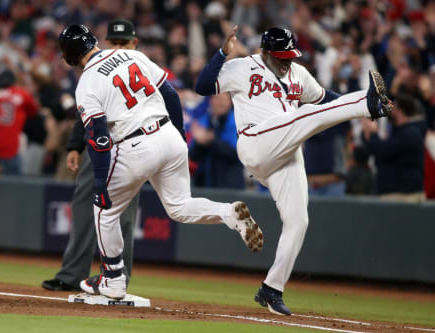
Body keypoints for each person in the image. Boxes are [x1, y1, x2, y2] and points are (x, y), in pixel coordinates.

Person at [195, 26, 392, 315]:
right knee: (302, 115)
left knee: (298, 220)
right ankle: (366, 101)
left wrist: (353, 107)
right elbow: (202, 86)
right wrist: (223, 53)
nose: (287, 59)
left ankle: (272, 289)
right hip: (255, 142)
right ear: (265, 52)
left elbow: (325, 99)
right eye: (281, 55)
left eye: (290, 54)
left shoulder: (298, 74)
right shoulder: (241, 66)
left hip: (285, 150)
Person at [57, 24, 263, 299]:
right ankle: (228, 214)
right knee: (180, 206)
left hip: (133, 144)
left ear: (70, 56)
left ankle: (113, 279)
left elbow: (98, 138)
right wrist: (178, 138)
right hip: (168, 135)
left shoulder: (87, 82)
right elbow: (171, 95)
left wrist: (99, 182)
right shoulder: (133, 55)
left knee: (104, 212)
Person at [42, 20, 144, 291]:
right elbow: (83, 111)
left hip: (131, 145)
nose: (120, 46)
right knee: (84, 206)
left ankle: (117, 279)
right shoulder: (96, 70)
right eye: (116, 41)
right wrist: (75, 145)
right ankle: (72, 275)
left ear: (135, 44)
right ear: (106, 42)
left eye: (126, 42)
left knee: (122, 215)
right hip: (98, 147)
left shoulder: (139, 65)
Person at [361, 94, 426, 202]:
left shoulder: (410, 133)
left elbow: (383, 151)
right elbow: (378, 151)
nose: (389, 110)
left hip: (404, 196)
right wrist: (368, 134)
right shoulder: (398, 132)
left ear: (400, 111)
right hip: (395, 195)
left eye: (393, 107)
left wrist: (373, 134)